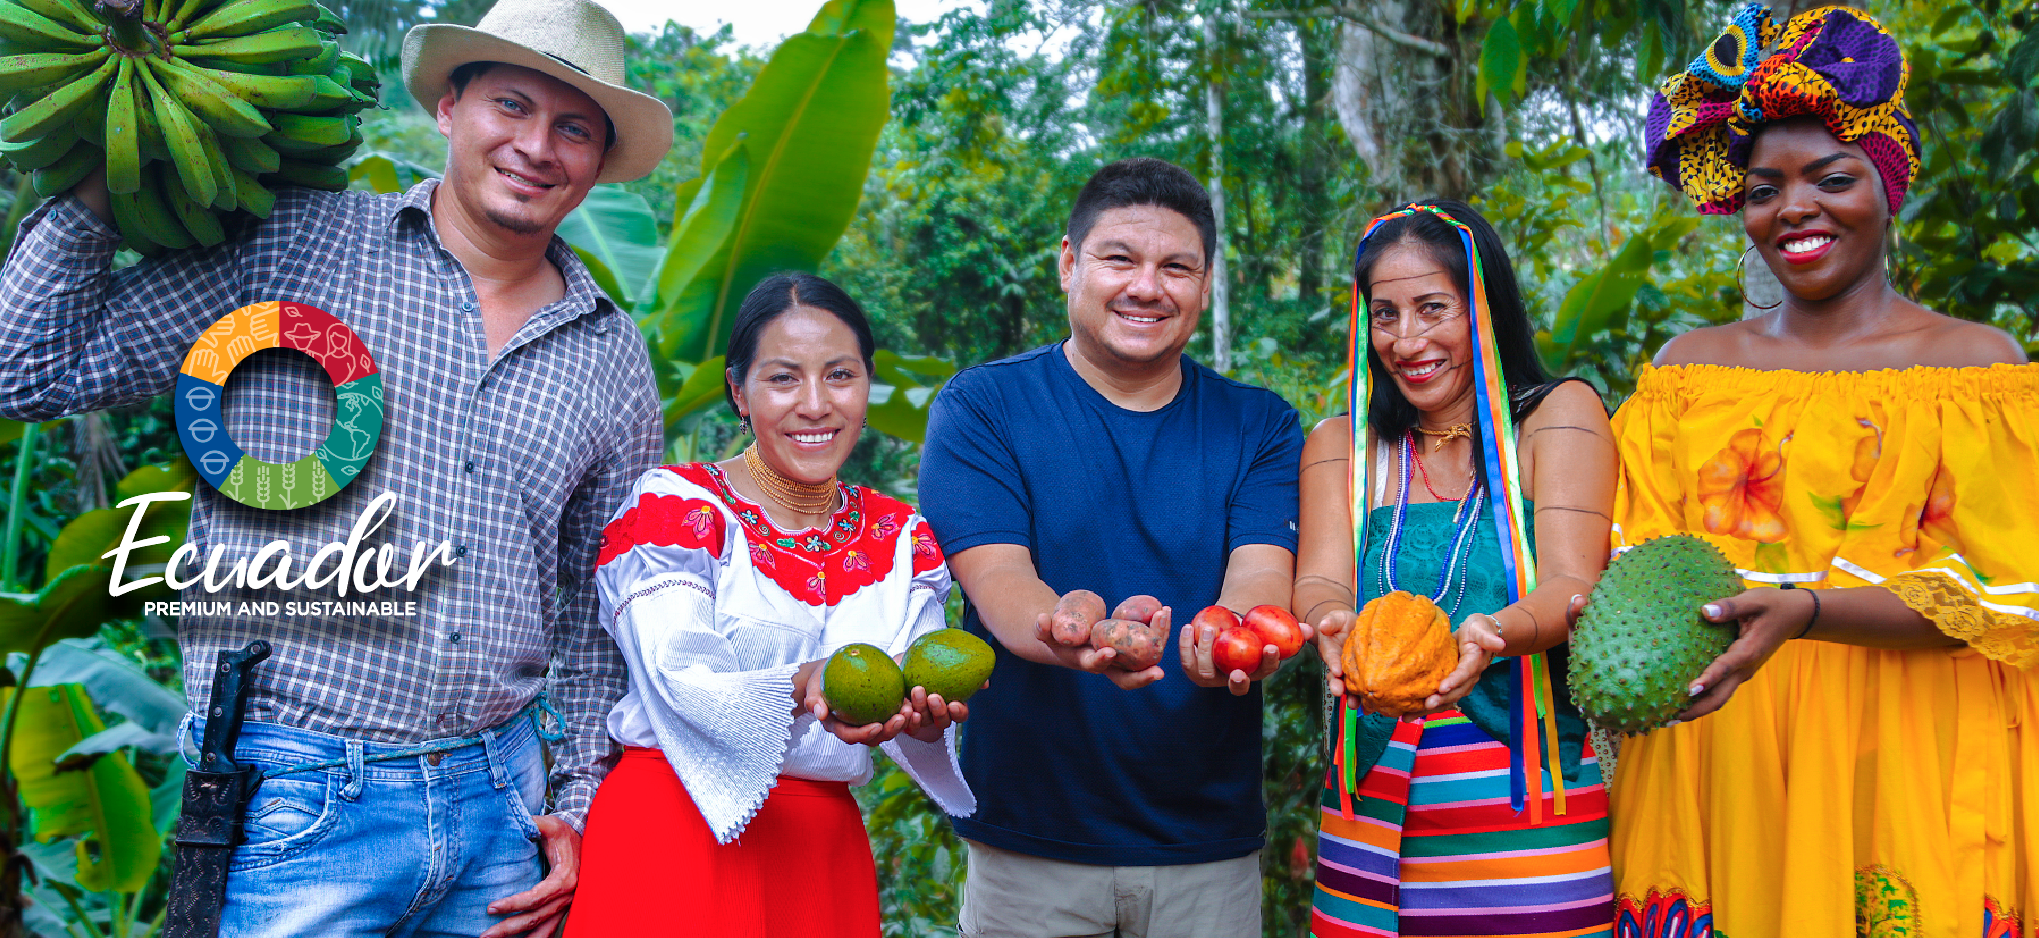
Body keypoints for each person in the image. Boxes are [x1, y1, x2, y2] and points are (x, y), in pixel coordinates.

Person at [0, 0, 673, 934]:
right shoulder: (296, 243)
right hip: (291, 795)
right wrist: (115, 164)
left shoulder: (610, 355)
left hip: (502, 813)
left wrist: (582, 805)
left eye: (573, 129)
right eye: (511, 107)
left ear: (596, 163)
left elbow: (607, 606)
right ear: (449, 108)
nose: (536, 147)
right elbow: (24, 366)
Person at [1605, 6, 2036, 936]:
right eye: (1764, 189)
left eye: (1829, 178)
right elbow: (1633, 576)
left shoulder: (1973, 370)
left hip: (1907, 744)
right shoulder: (1687, 374)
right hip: (1723, 747)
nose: (1793, 207)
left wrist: (1808, 610)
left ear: (1888, 188)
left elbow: (2008, 603)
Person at [918, 157, 1306, 938]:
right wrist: (1070, 631)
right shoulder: (982, 406)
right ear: (1069, 263)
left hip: (1205, 848)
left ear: (1204, 284)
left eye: (1176, 267)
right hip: (1028, 843)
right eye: (1119, 258)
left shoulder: (1259, 425)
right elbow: (999, 580)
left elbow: (1260, 573)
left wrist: (1221, 640)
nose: (1146, 287)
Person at [562, 272, 975, 936]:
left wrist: (923, 721)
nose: (815, 404)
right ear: (738, 392)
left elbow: (913, 681)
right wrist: (800, 682)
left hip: (818, 850)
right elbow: (678, 675)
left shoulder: (902, 541)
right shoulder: (676, 508)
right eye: (783, 379)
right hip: (673, 832)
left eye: (839, 376)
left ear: (867, 384)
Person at [1296, 199, 1618, 938]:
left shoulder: (1557, 418)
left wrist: (1494, 634)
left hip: (1522, 807)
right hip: (1364, 802)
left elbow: (1572, 583)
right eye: (1385, 314)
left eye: (1432, 307)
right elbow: (1318, 580)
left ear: (1484, 306)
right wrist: (1326, 619)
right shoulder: (1339, 445)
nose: (1406, 339)